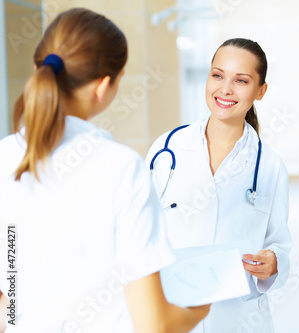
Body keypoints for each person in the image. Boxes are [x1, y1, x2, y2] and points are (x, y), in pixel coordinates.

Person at [0, 8, 209, 332]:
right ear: (104, 87)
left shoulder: (3, 156)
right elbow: (154, 325)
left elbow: (7, 302)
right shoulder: (121, 168)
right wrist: (199, 309)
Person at [146, 38, 292, 333]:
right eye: (217, 75)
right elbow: (141, 230)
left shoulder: (269, 166)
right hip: (173, 310)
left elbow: (278, 242)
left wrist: (273, 261)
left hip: (238, 318)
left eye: (241, 80)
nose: (225, 89)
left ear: (260, 91)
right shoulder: (167, 148)